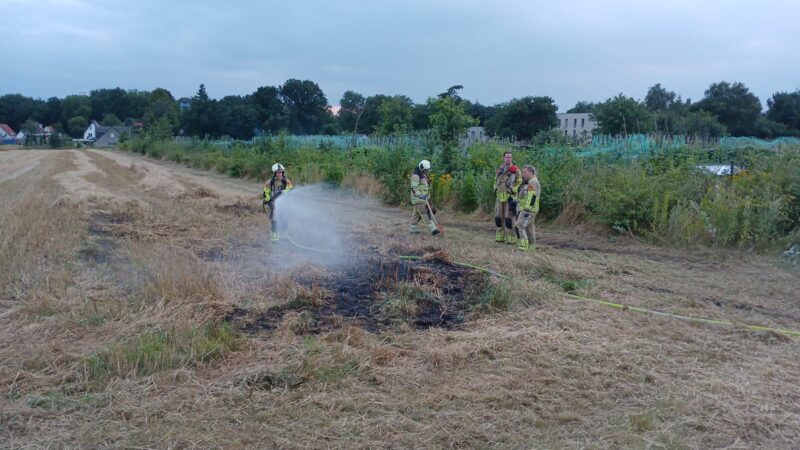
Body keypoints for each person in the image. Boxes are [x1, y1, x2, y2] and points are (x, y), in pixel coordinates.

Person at [261, 163, 293, 241]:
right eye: (278, 172)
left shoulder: (287, 181)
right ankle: (274, 238)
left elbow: (290, 189)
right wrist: (268, 199)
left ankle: (284, 236)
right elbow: (266, 192)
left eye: (281, 172)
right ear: (274, 173)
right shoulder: (269, 183)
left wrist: (286, 191)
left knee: (284, 219)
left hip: (284, 204)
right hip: (273, 204)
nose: (280, 174)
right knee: (275, 220)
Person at [494, 151, 519, 244]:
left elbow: (519, 183)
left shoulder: (515, 170)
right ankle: (500, 236)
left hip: (510, 198)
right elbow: (495, 181)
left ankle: (511, 238)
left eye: (510, 157)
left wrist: (512, 190)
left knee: (509, 219)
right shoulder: (499, 169)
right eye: (507, 157)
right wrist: (496, 189)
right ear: (503, 158)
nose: (508, 159)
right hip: (499, 198)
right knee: (498, 218)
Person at [410, 159, 440, 236]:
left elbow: (424, 186)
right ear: (422, 168)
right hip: (419, 199)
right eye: (426, 170)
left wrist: (428, 183)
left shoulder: (423, 175)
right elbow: (414, 188)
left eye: (428, 170)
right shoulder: (416, 176)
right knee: (426, 212)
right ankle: (433, 230)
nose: (427, 171)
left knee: (416, 214)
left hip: (424, 199)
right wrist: (420, 195)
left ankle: (413, 229)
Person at [515, 165, 541, 252]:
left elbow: (532, 197)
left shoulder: (532, 182)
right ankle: (531, 246)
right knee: (529, 227)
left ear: (530, 172)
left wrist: (527, 208)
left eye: (524, 172)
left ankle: (524, 245)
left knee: (520, 225)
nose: (523, 174)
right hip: (533, 209)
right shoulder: (533, 181)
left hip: (529, 209)